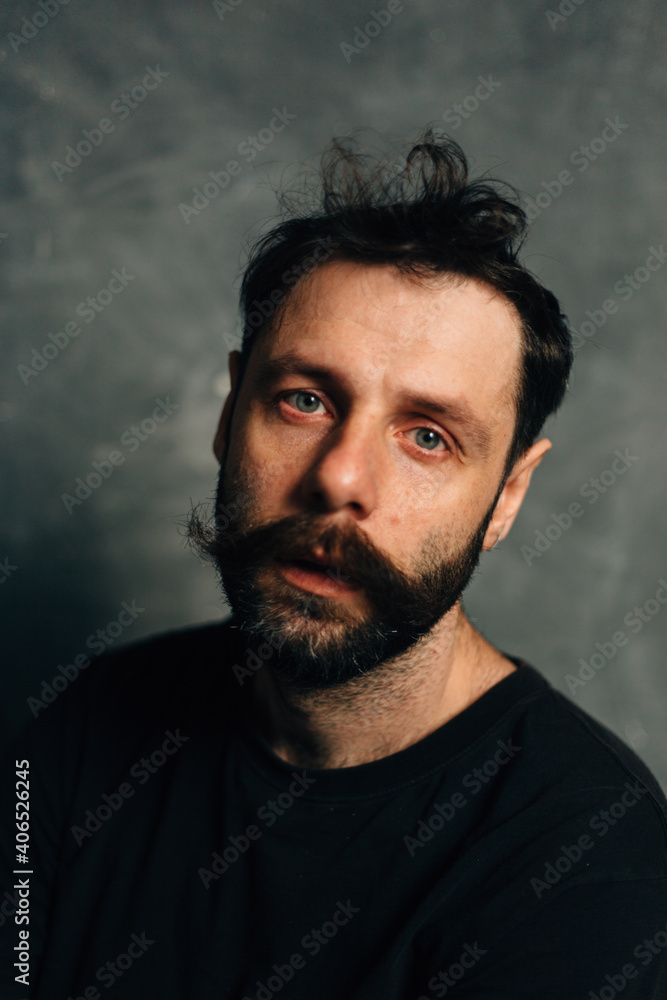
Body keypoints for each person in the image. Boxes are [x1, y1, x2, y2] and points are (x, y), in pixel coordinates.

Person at [2, 131, 666, 1000]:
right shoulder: (83, 728)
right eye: (305, 401)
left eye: (427, 437)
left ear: (507, 496)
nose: (339, 479)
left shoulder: (588, 864)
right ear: (229, 412)